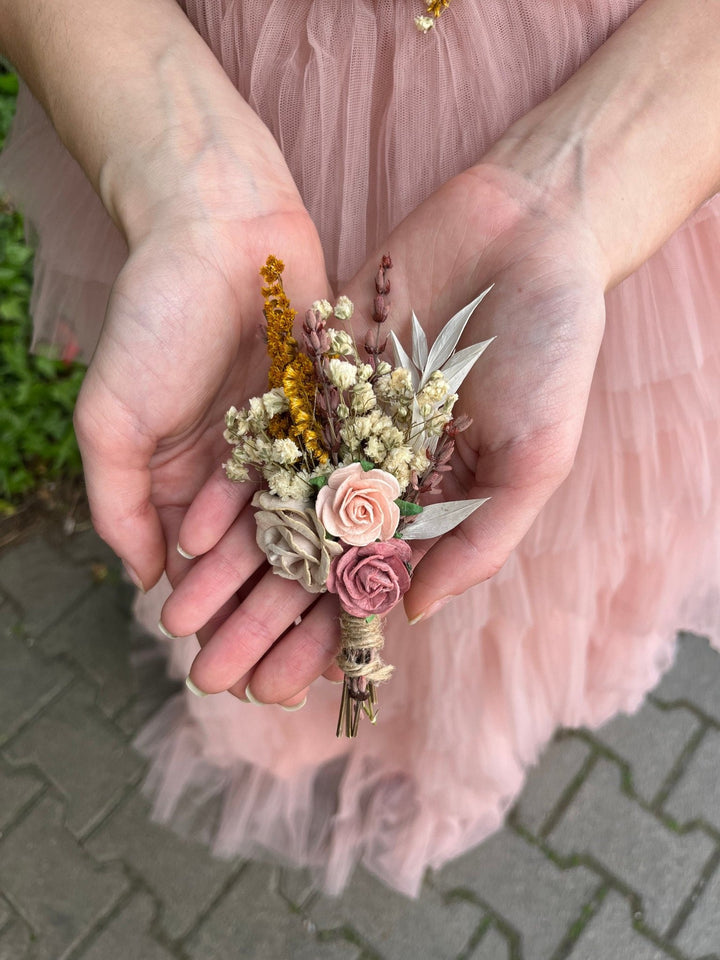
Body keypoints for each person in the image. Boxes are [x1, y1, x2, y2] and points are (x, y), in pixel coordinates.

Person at [1, 0, 719, 896]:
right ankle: (315, 720)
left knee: (519, 524)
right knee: (261, 543)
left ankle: (450, 729)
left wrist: (571, 193)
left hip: (627, 94)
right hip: (226, 84)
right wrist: (179, 153)